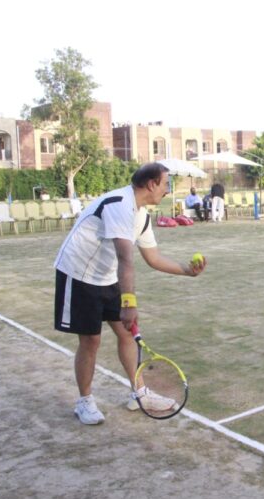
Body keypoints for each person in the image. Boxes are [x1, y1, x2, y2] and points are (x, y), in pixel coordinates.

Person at [54, 162, 206, 425]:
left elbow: (153, 258)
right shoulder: (119, 205)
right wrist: (129, 302)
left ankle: (139, 394)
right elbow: (126, 258)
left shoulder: (141, 215)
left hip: (107, 276)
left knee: (127, 333)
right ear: (151, 184)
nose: (167, 191)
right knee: (91, 340)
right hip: (78, 274)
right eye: (166, 184)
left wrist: (187, 271)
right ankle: (85, 401)